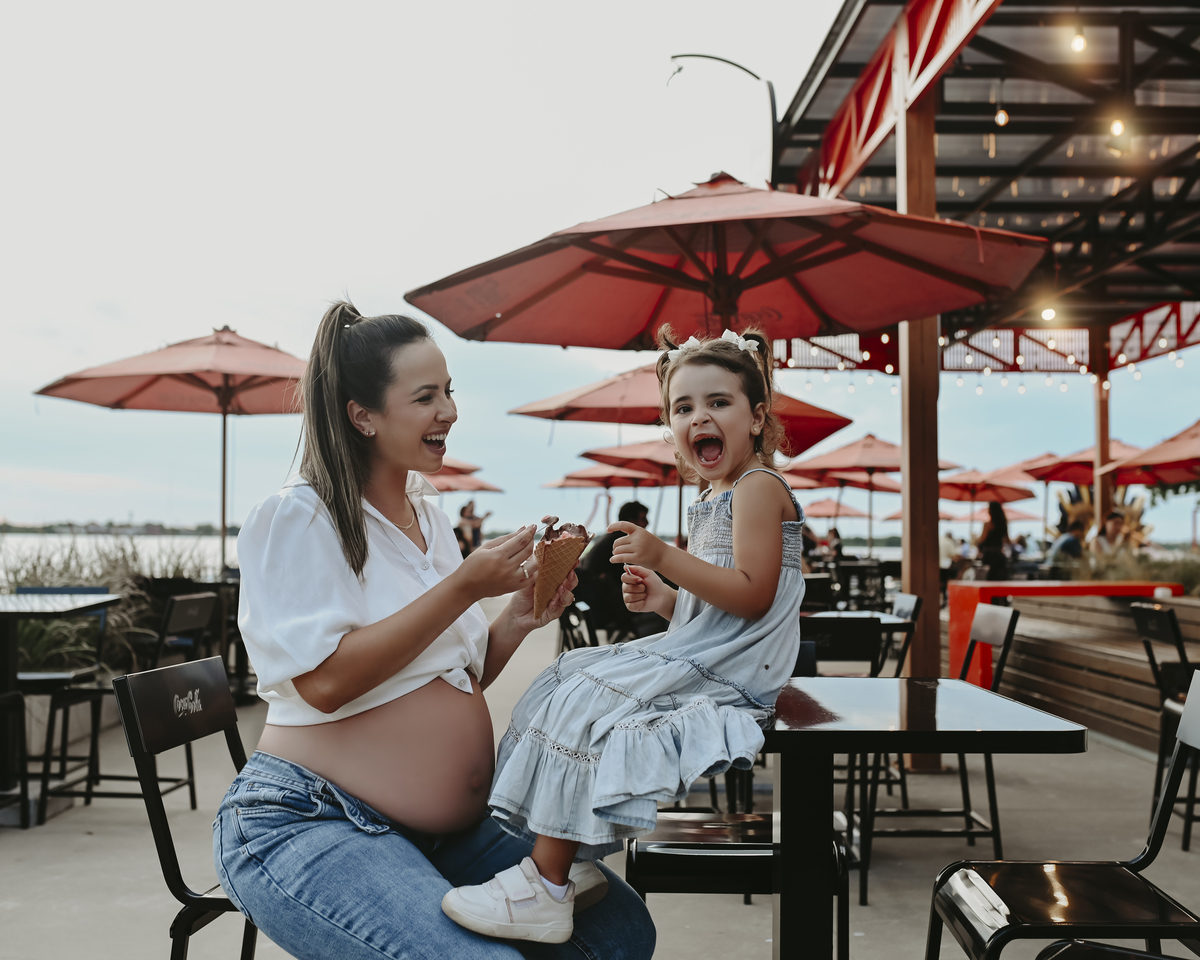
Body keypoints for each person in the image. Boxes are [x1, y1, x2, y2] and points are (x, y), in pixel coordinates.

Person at [214, 302, 655, 960]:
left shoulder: (429, 516)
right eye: (425, 397)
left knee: (619, 931)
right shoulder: (300, 517)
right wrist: (464, 587)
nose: (448, 411)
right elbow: (325, 684)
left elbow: (455, 675)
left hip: (448, 833)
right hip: (316, 816)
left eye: (449, 391)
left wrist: (517, 618)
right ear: (363, 415)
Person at [442, 326, 805, 944]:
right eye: (683, 408)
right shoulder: (717, 493)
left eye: (719, 402)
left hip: (739, 675)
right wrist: (667, 600)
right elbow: (719, 615)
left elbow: (753, 596)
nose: (699, 417)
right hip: (715, 655)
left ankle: (546, 886)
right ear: (671, 426)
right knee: (569, 674)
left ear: (757, 417)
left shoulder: (759, 488)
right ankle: (568, 854)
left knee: (591, 700)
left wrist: (665, 556)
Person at [975, 501, 1011, 580]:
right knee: (999, 581)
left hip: (989, 557)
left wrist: (976, 540)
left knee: (989, 579)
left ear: (991, 511)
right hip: (1000, 556)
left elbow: (982, 540)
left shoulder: (988, 524)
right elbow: (1007, 541)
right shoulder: (1003, 524)